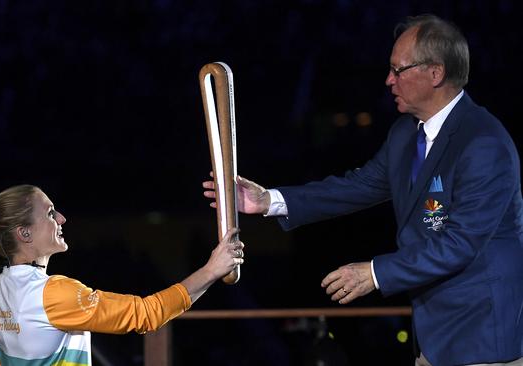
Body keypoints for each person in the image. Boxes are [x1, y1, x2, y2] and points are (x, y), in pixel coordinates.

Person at [204, 14, 523, 366]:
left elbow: (461, 243)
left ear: (436, 73)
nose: (389, 80)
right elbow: (358, 186)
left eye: (398, 70)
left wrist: (374, 273)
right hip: (433, 339)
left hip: (482, 338)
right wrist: (269, 200)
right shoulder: (405, 134)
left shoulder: (484, 143)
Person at [0, 184, 244, 365]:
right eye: (50, 214)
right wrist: (211, 270)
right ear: (24, 233)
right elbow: (147, 314)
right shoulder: (54, 293)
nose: (61, 219)